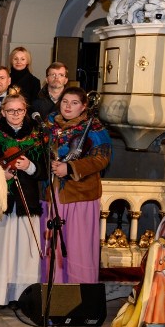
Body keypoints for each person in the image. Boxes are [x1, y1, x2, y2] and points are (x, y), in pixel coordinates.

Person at [0, 95, 46, 305]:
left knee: (23, 250)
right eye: (10, 110)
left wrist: (29, 167)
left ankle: (20, 295)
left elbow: (44, 169)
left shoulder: (36, 135)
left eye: (19, 110)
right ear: (3, 112)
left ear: (25, 111)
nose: (15, 114)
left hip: (27, 199)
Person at [43, 87, 112, 284]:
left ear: (83, 107)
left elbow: (102, 158)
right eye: (65, 101)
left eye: (74, 103)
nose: (68, 106)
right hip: (51, 192)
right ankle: (53, 295)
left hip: (79, 195)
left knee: (76, 248)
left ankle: (79, 295)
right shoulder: (48, 125)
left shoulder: (94, 127)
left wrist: (70, 167)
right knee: (51, 248)